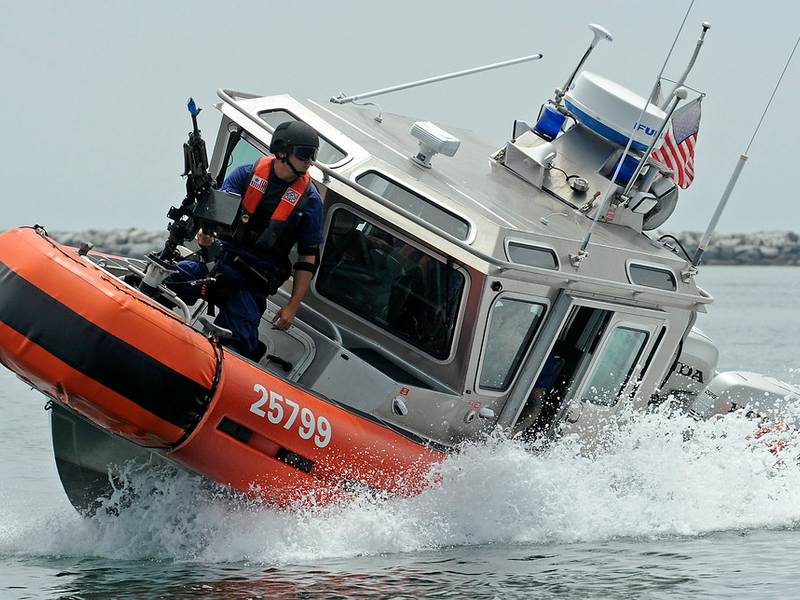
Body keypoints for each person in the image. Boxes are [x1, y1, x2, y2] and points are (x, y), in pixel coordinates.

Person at [168, 120, 325, 360]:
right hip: (217, 263)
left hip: (253, 281)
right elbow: (217, 213)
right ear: (282, 152)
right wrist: (205, 233)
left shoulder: (310, 201)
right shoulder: (245, 175)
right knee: (169, 280)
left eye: (313, 155)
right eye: (305, 154)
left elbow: (308, 257)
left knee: (238, 340)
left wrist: (292, 306)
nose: (310, 161)